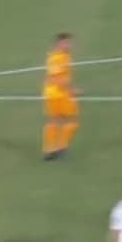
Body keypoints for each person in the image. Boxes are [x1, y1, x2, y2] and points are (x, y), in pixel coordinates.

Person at [42, 32, 79, 160]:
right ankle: (60, 148)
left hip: (52, 94)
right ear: (59, 43)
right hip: (60, 94)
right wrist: (72, 90)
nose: (70, 45)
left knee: (54, 121)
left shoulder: (61, 56)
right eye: (67, 43)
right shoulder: (57, 58)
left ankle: (50, 150)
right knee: (72, 120)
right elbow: (57, 78)